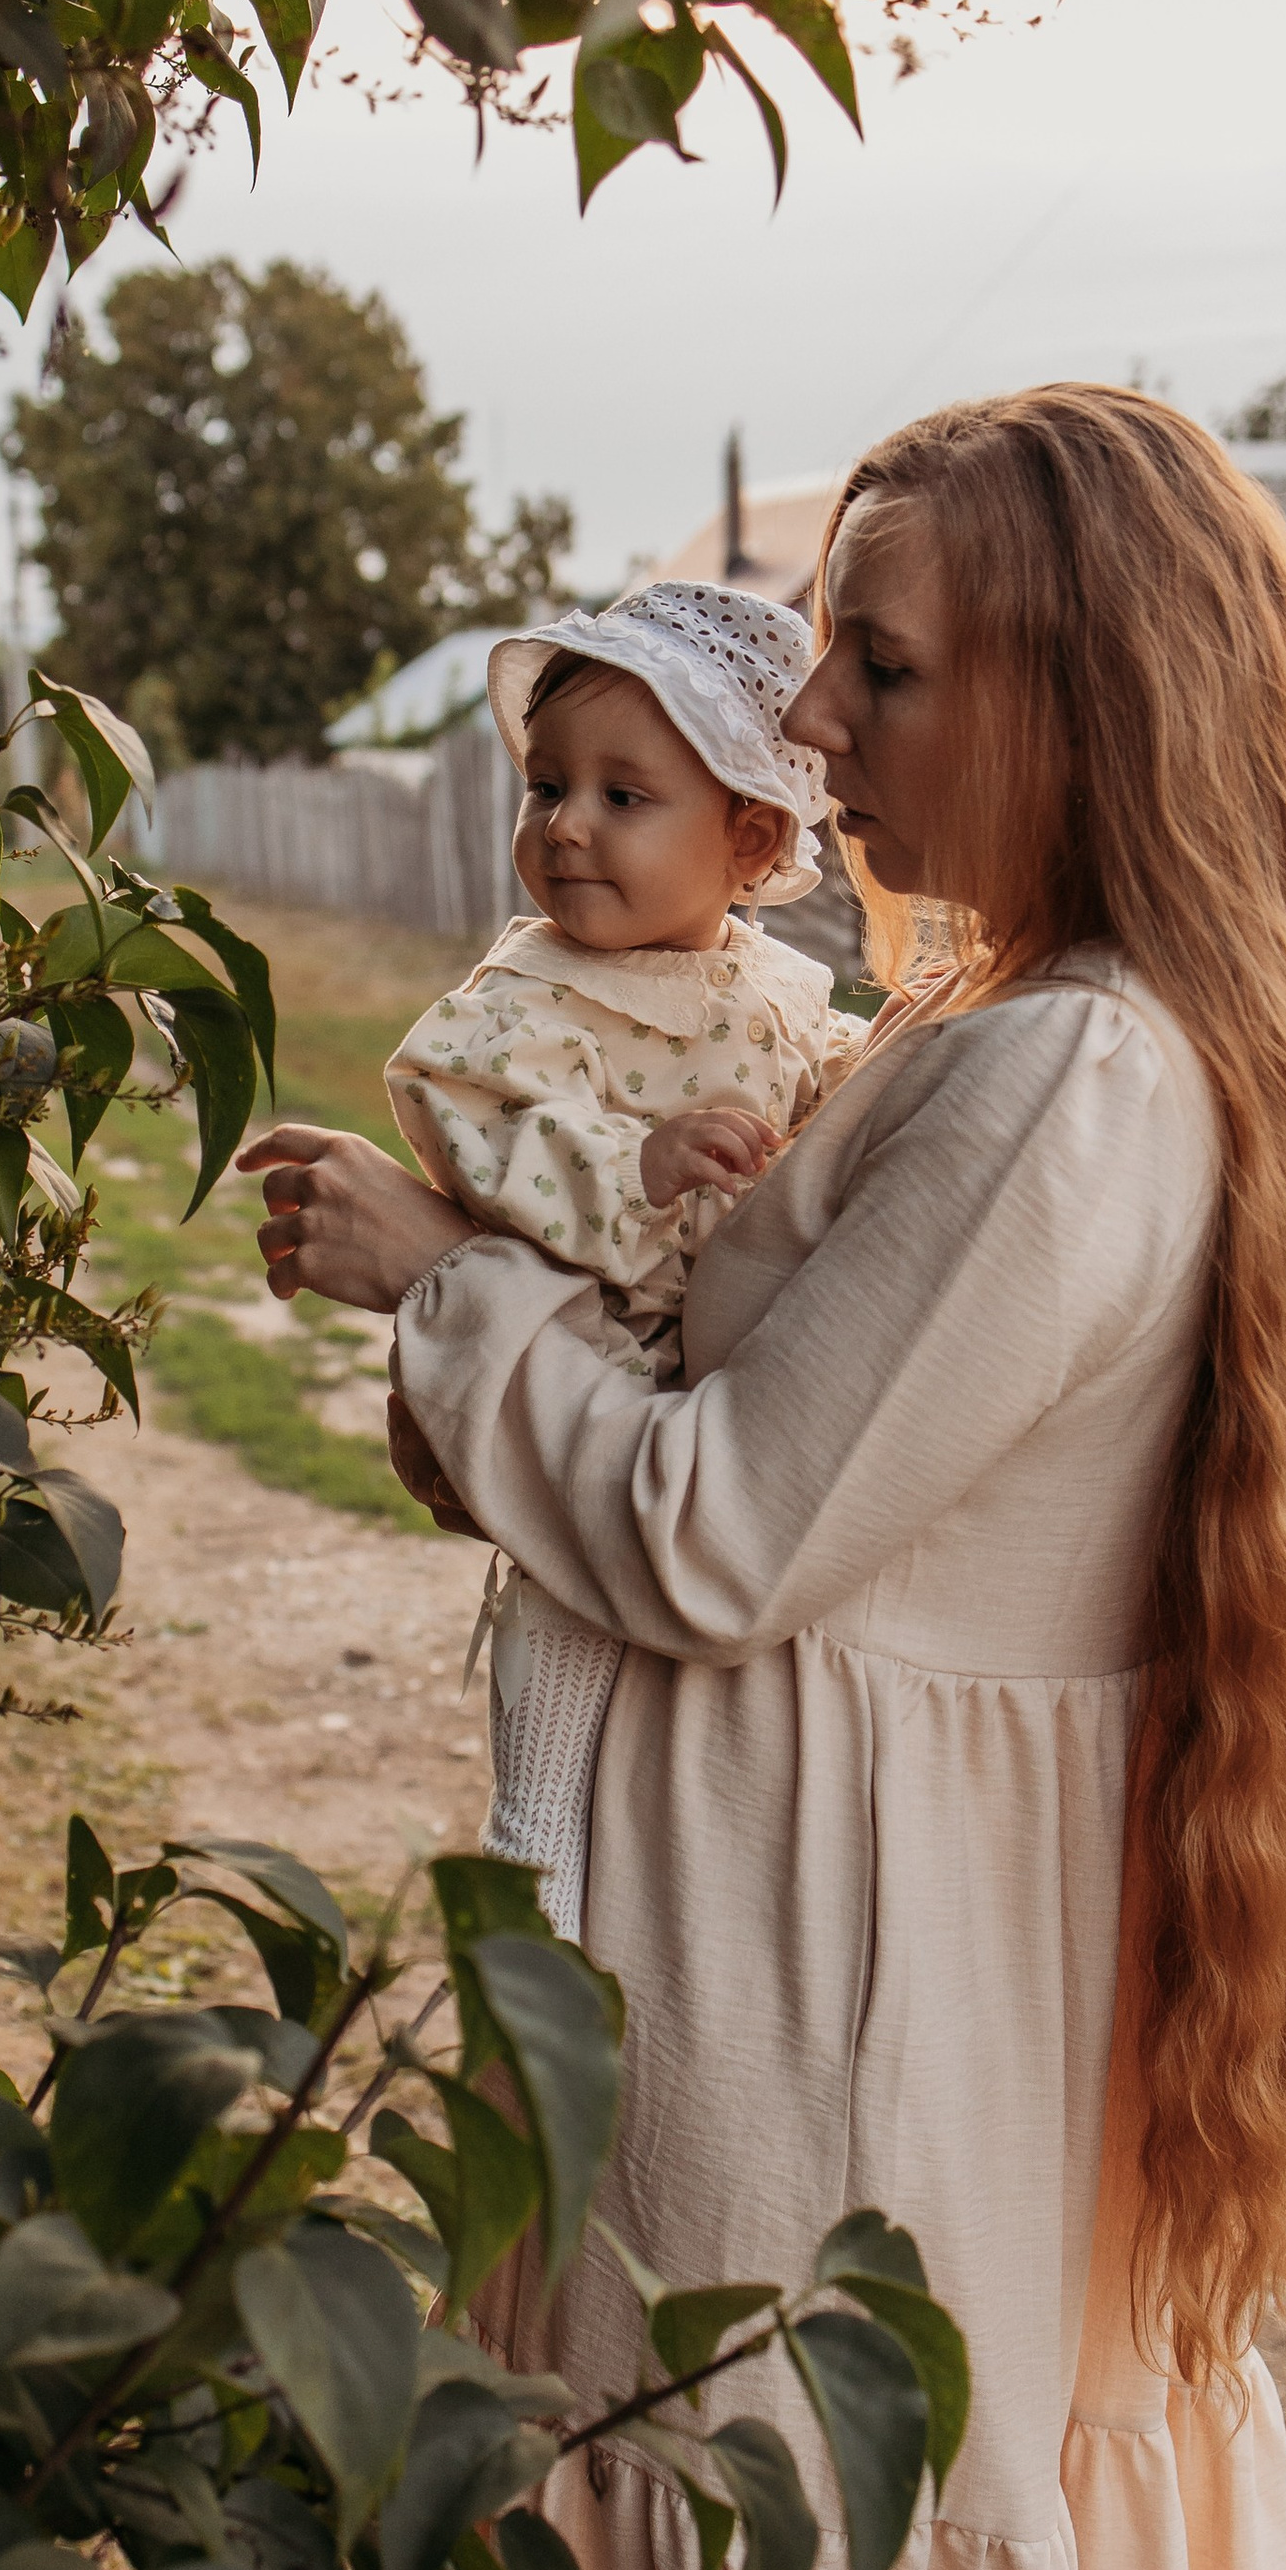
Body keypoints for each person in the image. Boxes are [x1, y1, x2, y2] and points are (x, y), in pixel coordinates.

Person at [239, 386, 1286, 2570]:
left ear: (1084, 694)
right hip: (858, 1936)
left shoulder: (1072, 1083)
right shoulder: (1035, 1029)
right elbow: (739, 1431)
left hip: (847, 1980)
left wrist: (447, 1294)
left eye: (882, 671)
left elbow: (730, 1519)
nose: (820, 726)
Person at [382, 576, 866, 1942]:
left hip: (728, 1411)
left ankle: (639, 1931)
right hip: (583, 1388)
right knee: (563, 1658)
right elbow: (478, 1142)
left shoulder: (775, 991)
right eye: (547, 787)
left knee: (681, 1731)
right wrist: (637, 1165)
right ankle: (528, 1913)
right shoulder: (521, 1002)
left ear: (753, 834)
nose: (566, 826)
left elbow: (831, 1101)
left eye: (623, 796)